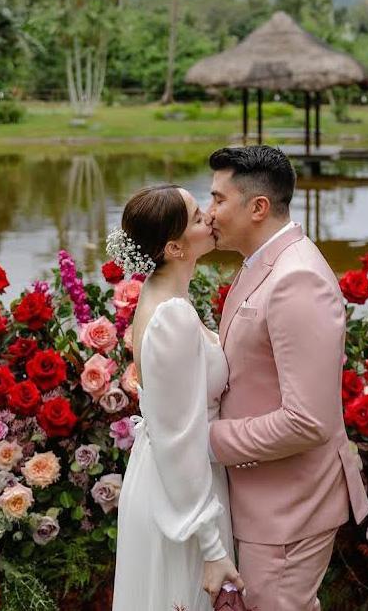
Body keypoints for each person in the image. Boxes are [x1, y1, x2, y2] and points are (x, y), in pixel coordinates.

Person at [206, 146, 368, 611]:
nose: (208, 211)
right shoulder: (262, 262)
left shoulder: (298, 280)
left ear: (257, 207)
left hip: (287, 508)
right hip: (262, 496)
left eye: (218, 199)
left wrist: (206, 440)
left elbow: (307, 421)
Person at [111, 184, 244, 611]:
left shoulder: (167, 298)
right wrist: (212, 547)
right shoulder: (171, 316)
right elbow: (178, 437)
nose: (210, 216)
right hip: (182, 499)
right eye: (196, 216)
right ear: (174, 247)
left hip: (179, 479)